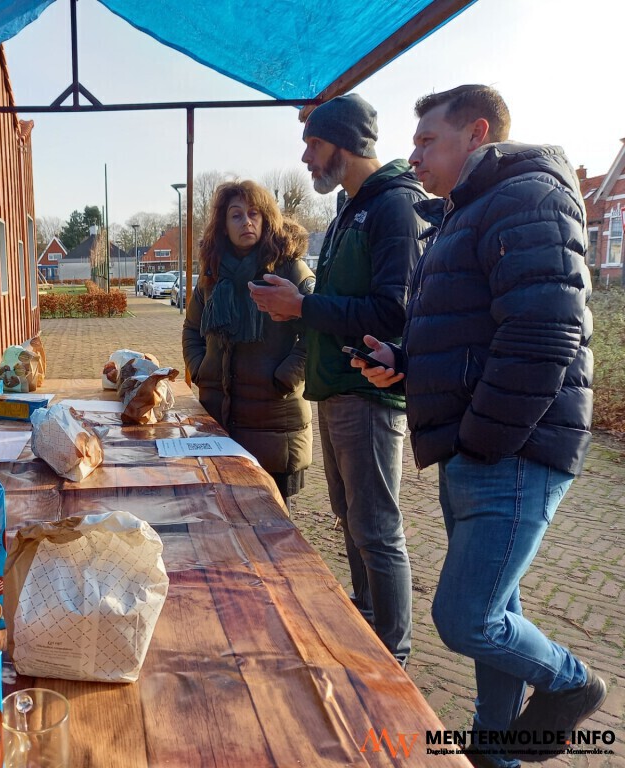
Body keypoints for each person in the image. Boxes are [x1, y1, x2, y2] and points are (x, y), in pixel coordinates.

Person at [355, 85, 604, 767]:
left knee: (465, 618)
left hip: (510, 450)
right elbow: (474, 335)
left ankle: (574, 682)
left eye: (428, 139)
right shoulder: (467, 213)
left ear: (478, 133)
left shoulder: (529, 197)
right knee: (498, 611)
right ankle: (497, 751)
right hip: (480, 447)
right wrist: (404, 365)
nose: (414, 155)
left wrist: (484, 441)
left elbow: (545, 331)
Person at [249, 94, 428, 666]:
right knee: (351, 521)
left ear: (347, 144)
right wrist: (300, 309)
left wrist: (303, 307)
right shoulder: (354, 208)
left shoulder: (397, 207)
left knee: (377, 527)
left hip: (369, 393)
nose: (305, 157)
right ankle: (367, 622)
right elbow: (345, 303)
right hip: (334, 390)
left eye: (315, 144)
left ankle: (392, 655)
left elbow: (392, 313)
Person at [182, 180, 315, 507]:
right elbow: (191, 328)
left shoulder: (289, 269)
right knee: (222, 517)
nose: (247, 222)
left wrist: (285, 377)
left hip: (275, 420)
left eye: (254, 213)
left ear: (267, 219)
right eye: (236, 215)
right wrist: (200, 369)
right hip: (218, 417)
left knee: (275, 529)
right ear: (224, 226)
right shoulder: (212, 274)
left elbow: (317, 331)